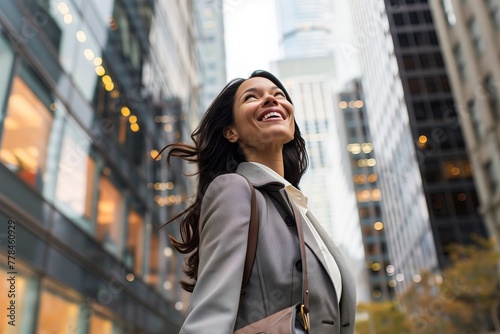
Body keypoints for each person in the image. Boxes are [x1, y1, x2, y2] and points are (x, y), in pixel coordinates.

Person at [160, 70, 356, 333]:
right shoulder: (234, 189)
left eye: (278, 95)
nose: (271, 100)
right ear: (231, 132)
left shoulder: (298, 208)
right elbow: (211, 314)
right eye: (251, 97)